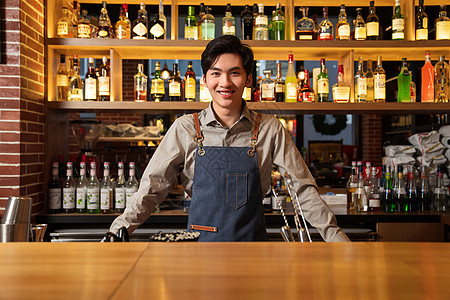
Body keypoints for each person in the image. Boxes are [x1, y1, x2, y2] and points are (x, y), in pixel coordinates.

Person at [109, 35, 350, 242]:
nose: (225, 82)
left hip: (253, 247)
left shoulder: (269, 129)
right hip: (199, 249)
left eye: (234, 73)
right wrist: (116, 232)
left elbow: (303, 191)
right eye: (216, 73)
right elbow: (151, 189)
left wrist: (338, 239)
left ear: (248, 80)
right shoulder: (185, 128)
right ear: (204, 81)